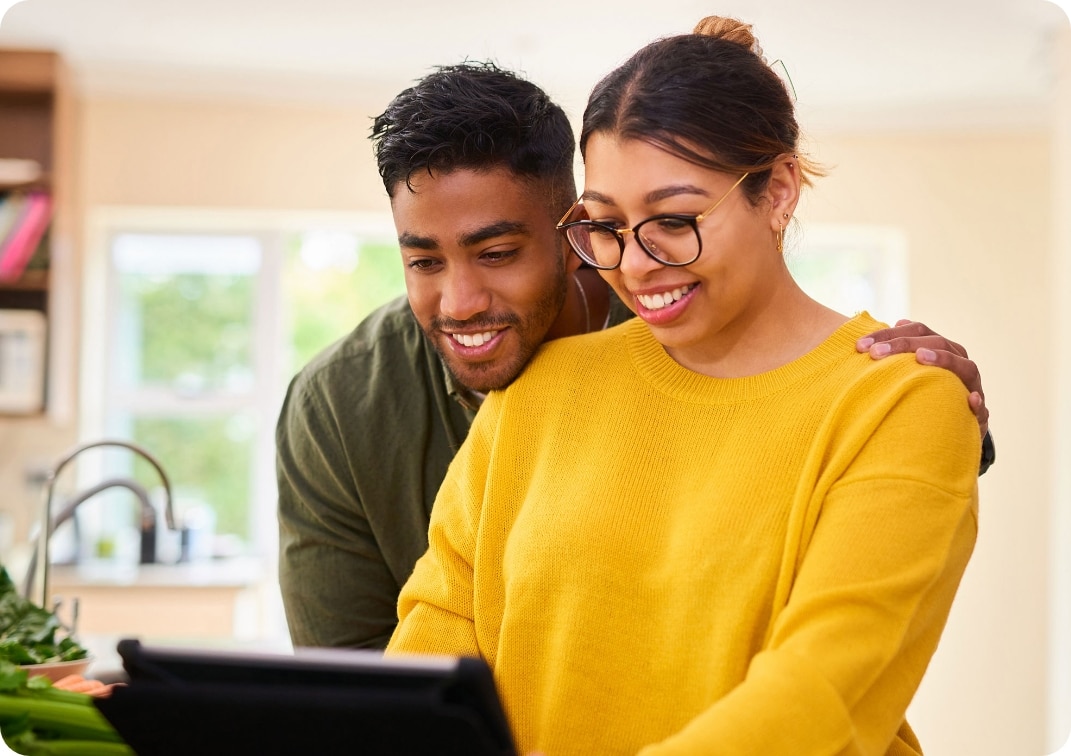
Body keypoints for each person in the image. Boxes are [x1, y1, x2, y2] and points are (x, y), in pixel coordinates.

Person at [386, 17, 979, 756]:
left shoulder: (898, 404)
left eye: (673, 219)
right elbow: (437, 636)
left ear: (778, 191)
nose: (635, 264)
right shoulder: (541, 388)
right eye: (606, 224)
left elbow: (818, 695)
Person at [276, 61, 993, 651]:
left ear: (570, 229)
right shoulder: (338, 406)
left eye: (497, 254)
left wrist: (925, 407)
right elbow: (365, 688)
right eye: (423, 261)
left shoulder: (679, 313)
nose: (460, 301)